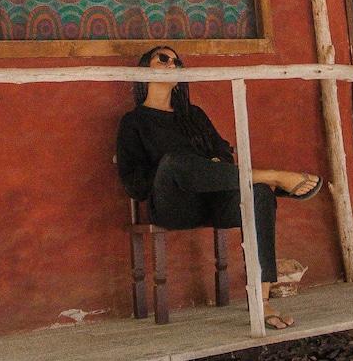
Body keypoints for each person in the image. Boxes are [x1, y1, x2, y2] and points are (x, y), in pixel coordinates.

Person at [115, 45, 321, 329]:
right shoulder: (133, 122)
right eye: (163, 58)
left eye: (177, 60)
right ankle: (272, 175)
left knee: (258, 193)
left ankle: (262, 302)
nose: (172, 63)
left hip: (211, 201)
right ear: (142, 69)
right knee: (176, 161)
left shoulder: (193, 115)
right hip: (172, 206)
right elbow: (134, 184)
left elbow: (223, 154)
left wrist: (210, 166)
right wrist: (174, 171)